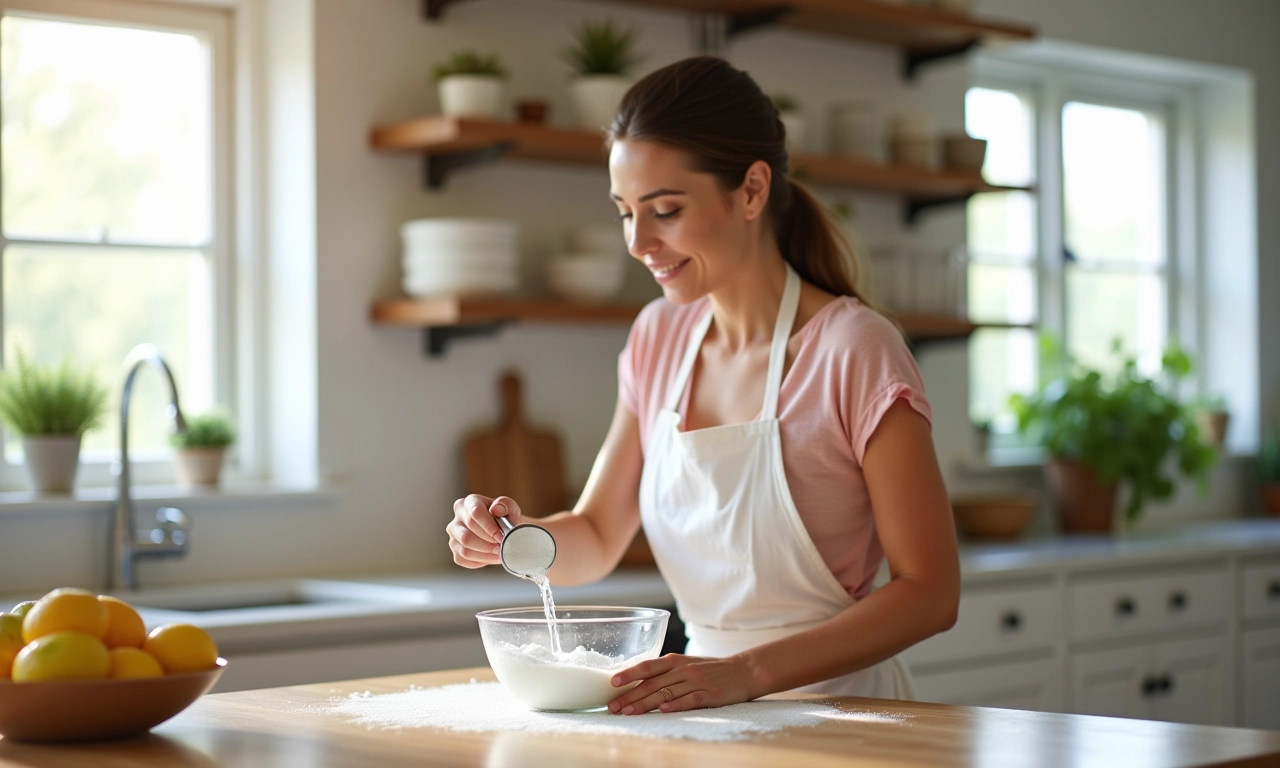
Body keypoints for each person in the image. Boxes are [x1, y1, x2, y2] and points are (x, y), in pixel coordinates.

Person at [447, 55, 960, 715]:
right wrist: (514, 536)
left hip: (843, 720)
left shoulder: (854, 350)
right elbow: (599, 533)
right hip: (699, 711)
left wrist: (745, 673)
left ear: (750, 190)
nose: (638, 242)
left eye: (664, 209)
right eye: (625, 212)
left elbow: (930, 593)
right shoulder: (658, 337)